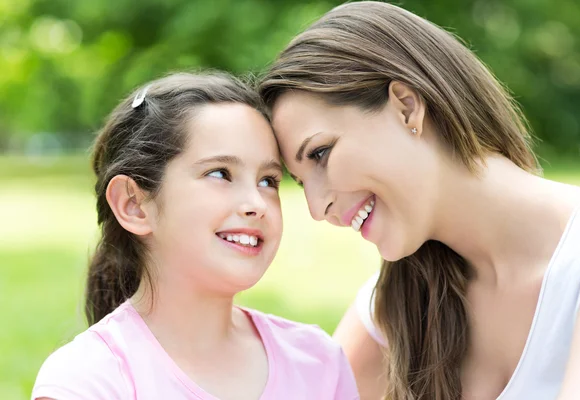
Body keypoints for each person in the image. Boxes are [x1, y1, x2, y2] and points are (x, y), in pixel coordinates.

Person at [258, 2, 580, 399]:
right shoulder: (399, 303)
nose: (319, 209)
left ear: (407, 107)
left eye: (320, 154)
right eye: (301, 183)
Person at [31, 72, 359, 400]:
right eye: (220, 173)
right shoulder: (87, 381)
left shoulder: (318, 363)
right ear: (134, 205)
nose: (256, 204)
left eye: (268, 180)